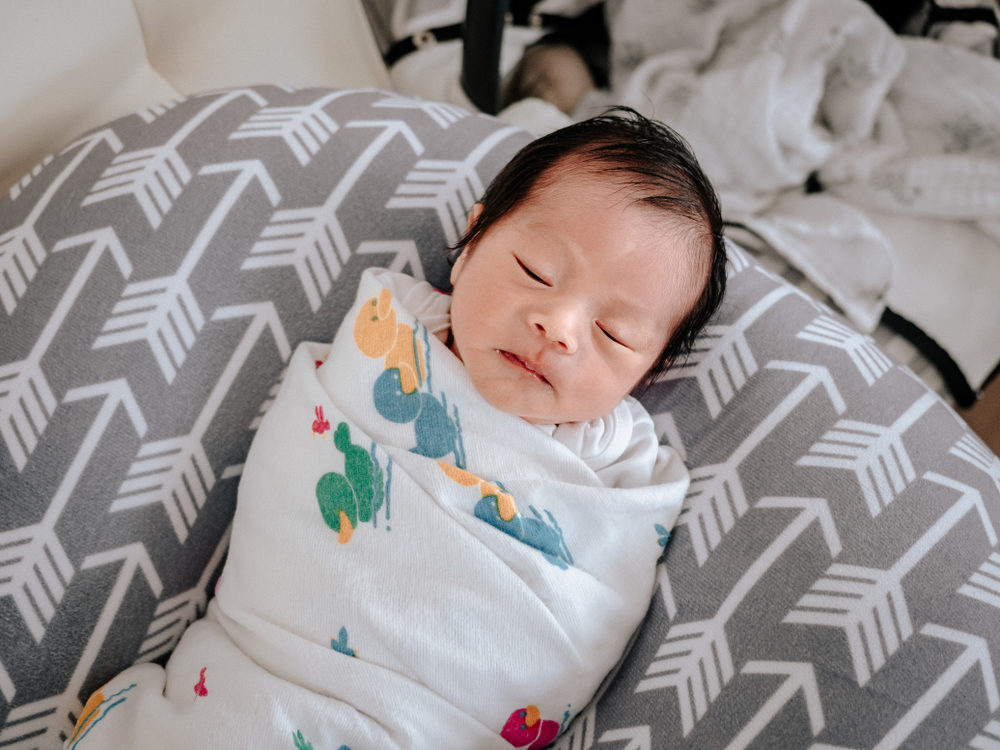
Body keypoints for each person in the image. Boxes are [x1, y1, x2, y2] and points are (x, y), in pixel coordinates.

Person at [65, 109, 726, 750]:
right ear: (469, 249)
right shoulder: (383, 341)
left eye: (615, 334)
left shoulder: (621, 472)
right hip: (256, 677)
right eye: (536, 273)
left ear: (649, 370)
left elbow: (585, 613)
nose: (560, 325)